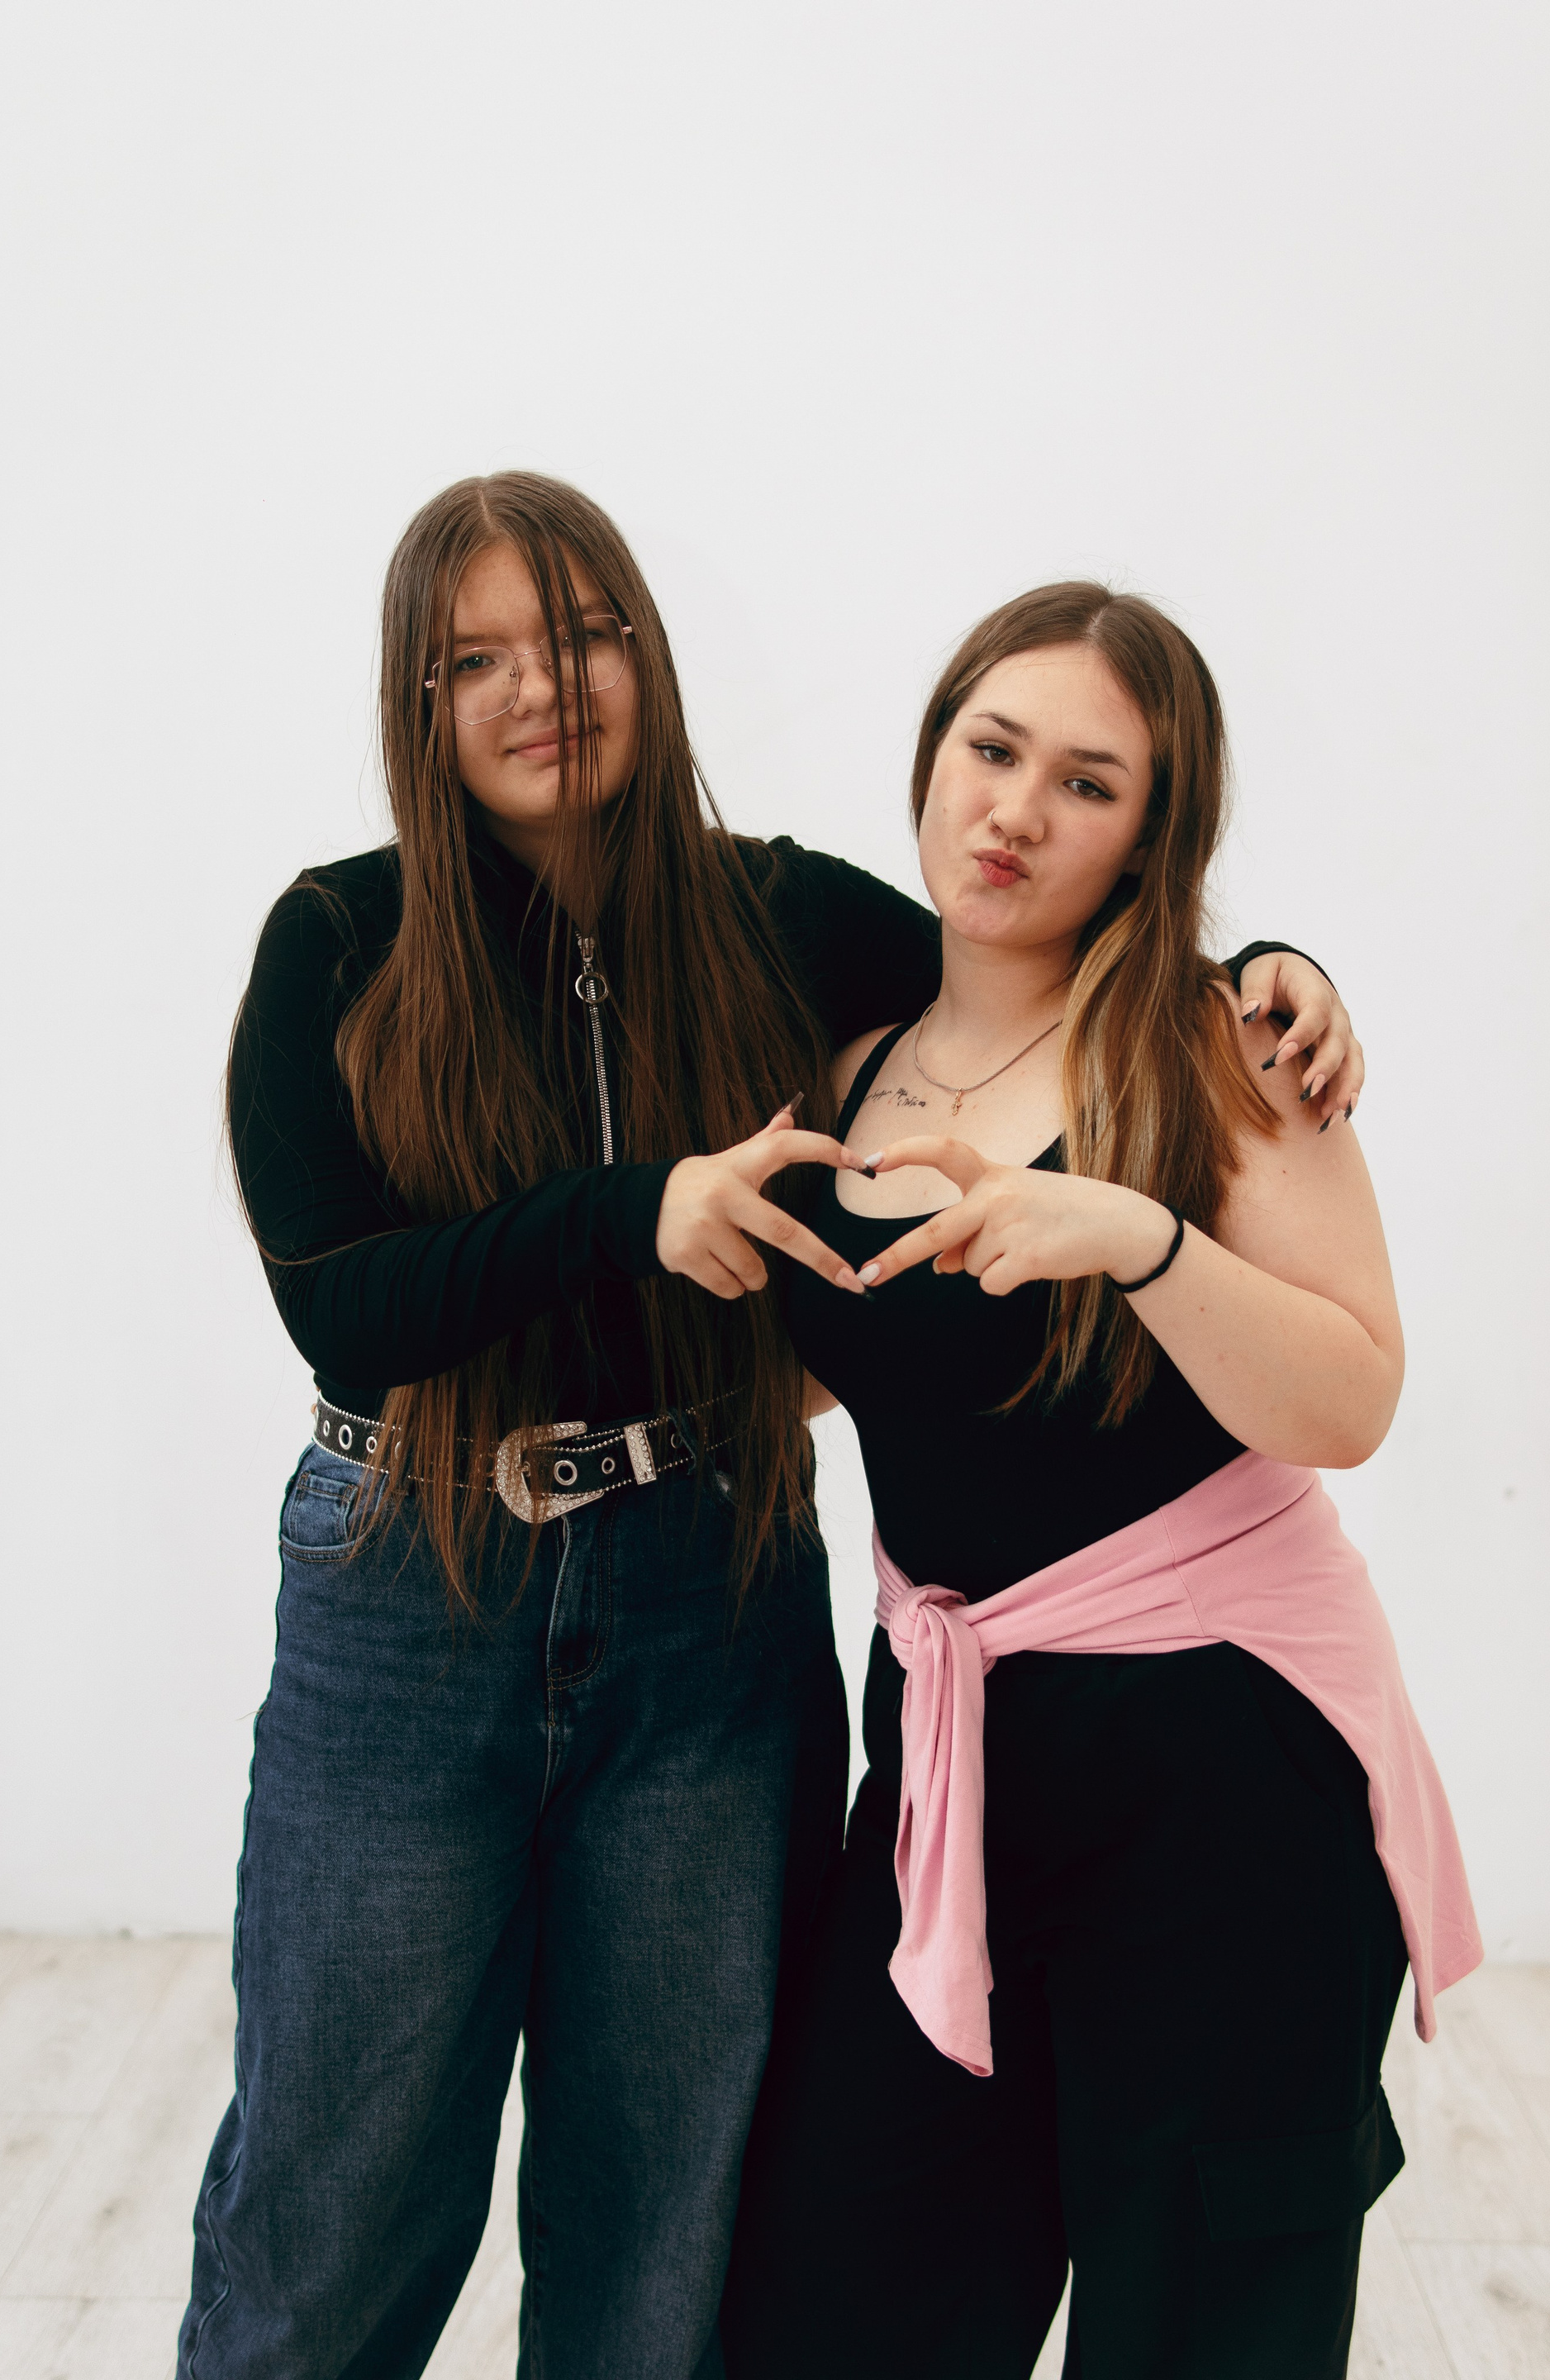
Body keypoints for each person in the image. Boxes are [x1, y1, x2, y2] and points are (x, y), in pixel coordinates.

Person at [178, 478, 1357, 2380]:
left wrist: (1272, 976)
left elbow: (1037, 956)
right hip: (410, 1588)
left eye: (580, 637)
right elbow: (345, 1308)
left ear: (644, 652)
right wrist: (628, 1210)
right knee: (334, 2203)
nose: (539, 689)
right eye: (474, 660)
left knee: (665, 2201)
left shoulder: (778, 916)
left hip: (700, 1590)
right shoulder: (336, 937)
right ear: (416, 697)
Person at [721, 583, 1479, 2380]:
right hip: (949, 1768)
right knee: (829, 2307)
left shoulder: (1219, 1042)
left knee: (1204, 2329)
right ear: (933, 754)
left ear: (1151, 834)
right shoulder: (845, 1070)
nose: (1015, 811)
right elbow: (865, 1382)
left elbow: (1354, 1395)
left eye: (1087, 783)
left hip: (1222, 1793)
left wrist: (1138, 1241)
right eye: (993, 750)